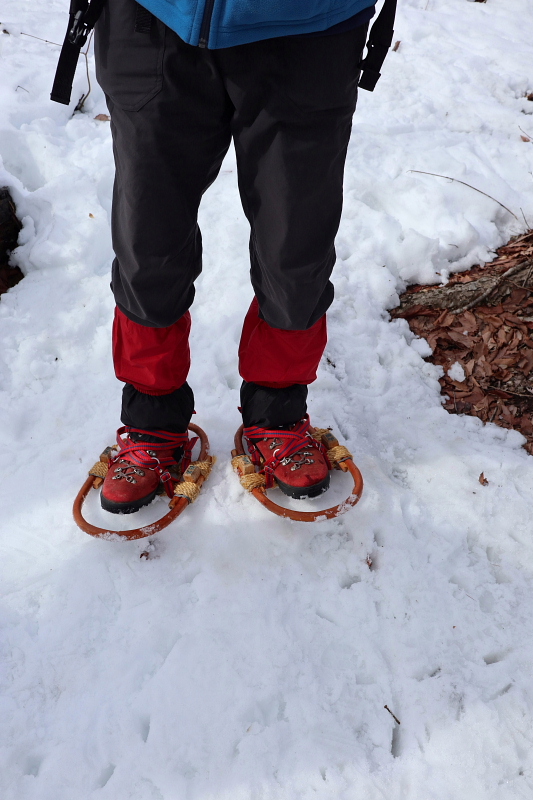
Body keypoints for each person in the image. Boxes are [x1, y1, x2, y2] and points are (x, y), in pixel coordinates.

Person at [72, 0, 388, 513]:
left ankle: (278, 413)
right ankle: (151, 420)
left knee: (295, 251)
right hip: (153, 21)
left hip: (309, 28)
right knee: (146, 245)